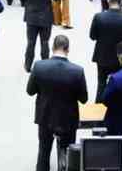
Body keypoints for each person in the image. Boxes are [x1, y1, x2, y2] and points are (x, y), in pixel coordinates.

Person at [26, 35, 88, 171]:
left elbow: (30, 91)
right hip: (68, 119)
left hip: (45, 117)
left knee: (44, 151)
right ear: (68, 49)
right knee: (67, 153)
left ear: (52, 47)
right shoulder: (77, 71)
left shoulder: (39, 66)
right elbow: (84, 99)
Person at [90, 0, 122, 100]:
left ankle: (99, 108)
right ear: (121, 2)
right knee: (120, 84)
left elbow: (92, 36)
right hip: (121, 58)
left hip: (102, 56)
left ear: (107, 1)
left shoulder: (99, 17)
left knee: (101, 83)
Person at [22, 0, 60, 72]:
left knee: (30, 42)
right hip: (46, 17)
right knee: (45, 42)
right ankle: (45, 65)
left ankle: (28, 65)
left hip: (31, 17)